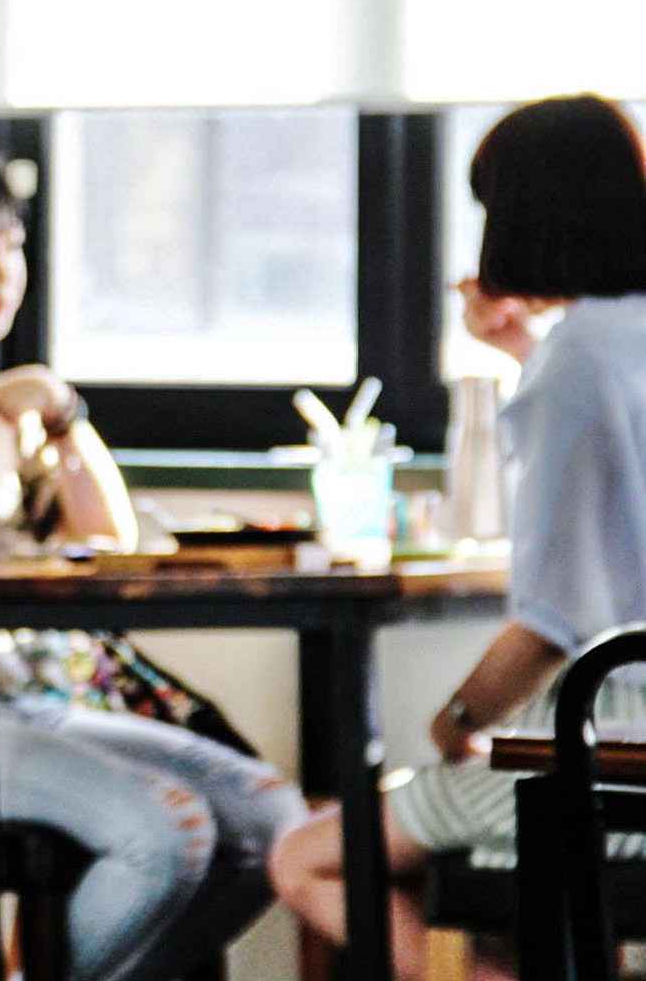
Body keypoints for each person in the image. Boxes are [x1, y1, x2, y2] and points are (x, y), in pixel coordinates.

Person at [0, 148, 305, 981]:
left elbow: (107, 542)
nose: (5, 273)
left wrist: (63, 414)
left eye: (12, 245)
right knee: (169, 832)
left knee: (270, 820)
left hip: (22, 699)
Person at [269, 94, 646, 980]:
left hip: (608, 745)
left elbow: (551, 621)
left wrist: (455, 720)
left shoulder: (576, 359)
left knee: (307, 856)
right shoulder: (603, 345)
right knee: (486, 896)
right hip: (625, 752)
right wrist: (523, 351)